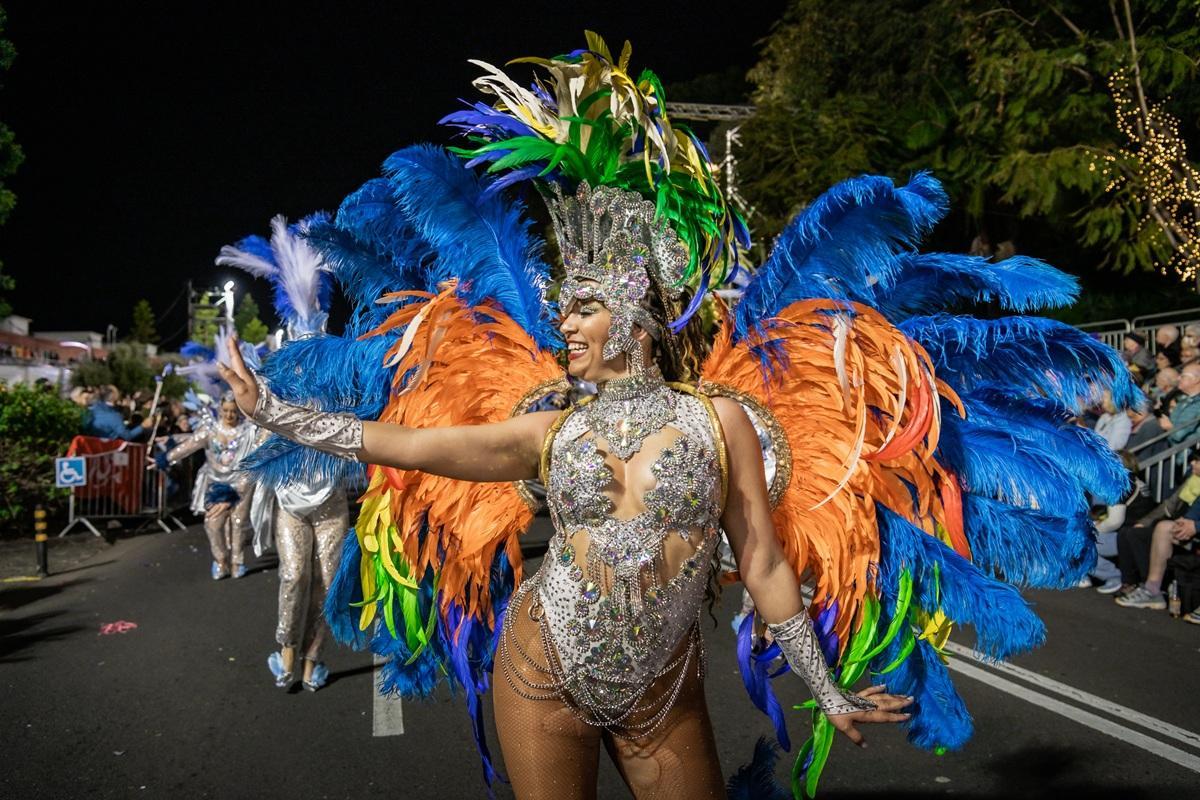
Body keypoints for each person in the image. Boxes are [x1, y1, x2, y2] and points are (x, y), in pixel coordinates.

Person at [218, 36, 1132, 797]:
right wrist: (277, 411)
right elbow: (407, 442)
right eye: (564, 307)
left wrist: (823, 687)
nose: (564, 324)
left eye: (582, 307)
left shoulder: (725, 421)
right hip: (541, 670)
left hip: (663, 684)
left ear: (634, 313)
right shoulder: (550, 426)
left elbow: (764, 560)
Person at [216, 213, 350, 692]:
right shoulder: (274, 392)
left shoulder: (339, 390)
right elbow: (258, 430)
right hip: (292, 501)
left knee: (328, 579)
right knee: (294, 577)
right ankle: (286, 653)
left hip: (331, 500)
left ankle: (313, 656)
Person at [156, 392, 258, 579]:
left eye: (233, 411)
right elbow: (188, 446)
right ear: (220, 409)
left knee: (238, 523)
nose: (229, 415)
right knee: (212, 524)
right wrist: (164, 459)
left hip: (240, 483)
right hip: (216, 484)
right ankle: (220, 560)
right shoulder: (210, 430)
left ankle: (237, 561)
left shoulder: (247, 432)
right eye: (226, 411)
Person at [83, 385, 153, 441]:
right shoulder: (114, 416)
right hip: (109, 449)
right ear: (114, 397)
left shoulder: (91, 410)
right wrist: (142, 426)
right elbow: (127, 436)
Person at [1159, 363, 1200, 445]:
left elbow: (1180, 435)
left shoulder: (1198, 405)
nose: (1178, 378)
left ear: (1196, 379)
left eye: (1183, 376)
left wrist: (1169, 427)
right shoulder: (1182, 399)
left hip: (1182, 454)